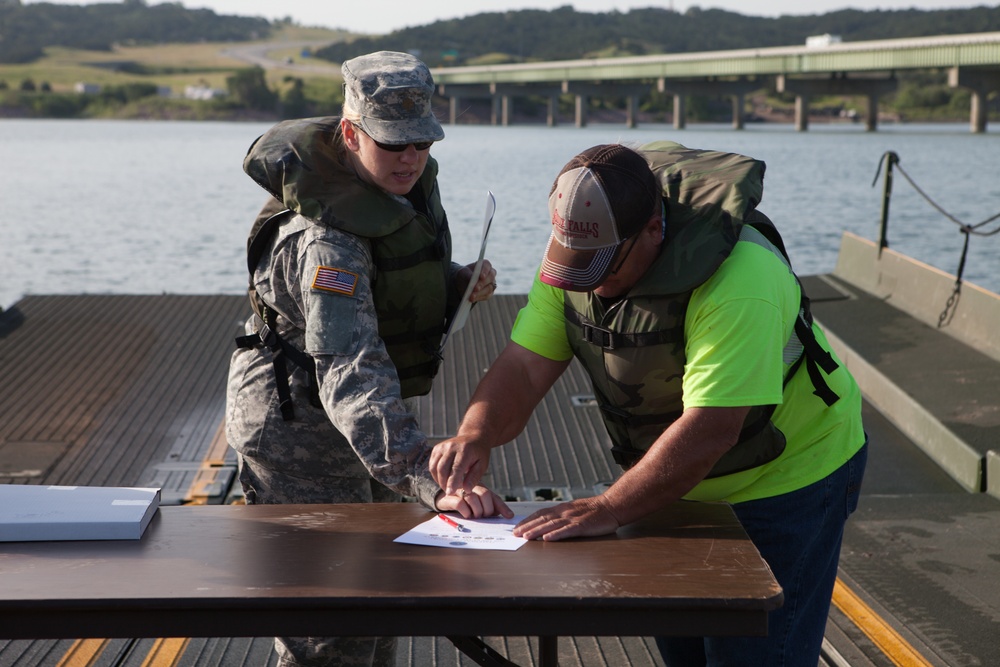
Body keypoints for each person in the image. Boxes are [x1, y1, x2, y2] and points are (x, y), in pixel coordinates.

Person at [429, 142, 868, 665]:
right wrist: (474, 433)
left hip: (786, 478)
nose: (591, 282)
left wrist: (608, 507)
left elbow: (711, 428)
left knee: (751, 656)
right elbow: (525, 366)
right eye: (578, 266)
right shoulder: (574, 263)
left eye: (605, 267)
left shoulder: (739, 279)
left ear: (654, 230)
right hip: (671, 485)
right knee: (683, 649)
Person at [226, 51, 512, 667]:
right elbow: (349, 367)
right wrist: (426, 478)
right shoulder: (327, 241)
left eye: (422, 143)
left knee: (383, 599)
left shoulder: (390, 188)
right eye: (393, 145)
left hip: (364, 425)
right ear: (351, 134)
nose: (410, 158)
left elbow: (387, 284)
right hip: (298, 432)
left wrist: (452, 280)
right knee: (328, 627)